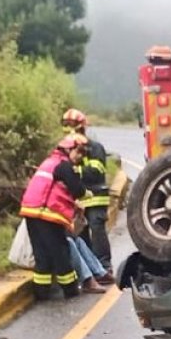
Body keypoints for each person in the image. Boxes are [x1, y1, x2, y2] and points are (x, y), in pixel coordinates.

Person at [19, 136, 87, 299]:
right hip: (47, 214)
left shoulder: (49, 163)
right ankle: (71, 290)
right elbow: (78, 190)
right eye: (80, 152)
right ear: (69, 149)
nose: (81, 157)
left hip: (31, 211)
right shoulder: (64, 166)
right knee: (60, 252)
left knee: (41, 254)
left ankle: (41, 293)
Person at [62, 108, 114, 278]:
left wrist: (75, 170)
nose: (70, 129)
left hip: (96, 197)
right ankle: (92, 268)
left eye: (72, 125)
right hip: (78, 199)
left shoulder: (94, 148)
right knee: (81, 233)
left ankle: (105, 266)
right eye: (67, 125)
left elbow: (97, 171)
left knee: (97, 228)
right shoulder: (65, 148)